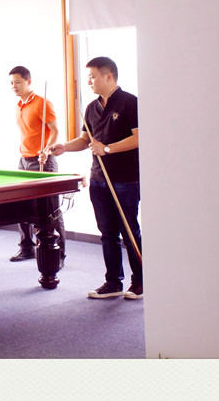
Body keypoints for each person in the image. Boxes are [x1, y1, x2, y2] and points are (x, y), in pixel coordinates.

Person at [47, 56, 142, 300]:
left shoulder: (130, 102)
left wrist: (107, 149)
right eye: (88, 77)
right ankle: (113, 282)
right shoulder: (90, 108)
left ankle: (140, 281)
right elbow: (85, 140)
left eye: (92, 77)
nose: (88, 81)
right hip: (99, 178)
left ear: (108, 76)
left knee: (129, 231)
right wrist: (64, 147)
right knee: (107, 233)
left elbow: (139, 137)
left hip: (125, 179)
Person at [8, 66, 66, 267]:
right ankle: (26, 248)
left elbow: (55, 131)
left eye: (17, 82)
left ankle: (59, 254)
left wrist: (47, 150)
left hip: (43, 161)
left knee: (51, 208)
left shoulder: (42, 103)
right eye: (11, 83)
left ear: (28, 81)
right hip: (24, 160)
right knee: (22, 205)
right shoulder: (19, 105)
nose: (14, 86)